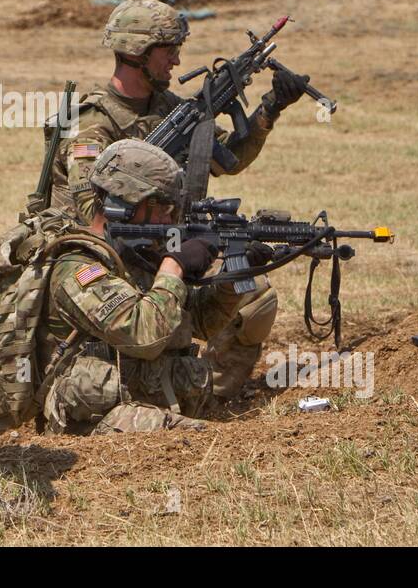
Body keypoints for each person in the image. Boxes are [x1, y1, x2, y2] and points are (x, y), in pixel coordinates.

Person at [38, 139, 278, 433]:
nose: (170, 219)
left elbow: (202, 323)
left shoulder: (136, 253)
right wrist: (173, 267)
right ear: (125, 202)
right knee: (212, 440)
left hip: (153, 406)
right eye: (162, 208)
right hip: (100, 420)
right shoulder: (78, 267)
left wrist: (232, 275)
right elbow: (144, 336)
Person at [48, 0, 307, 224]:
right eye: (170, 50)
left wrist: (271, 108)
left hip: (157, 236)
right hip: (97, 253)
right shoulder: (90, 124)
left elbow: (229, 159)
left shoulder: (168, 108)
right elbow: (93, 213)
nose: (177, 60)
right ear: (138, 53)